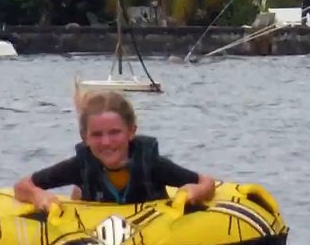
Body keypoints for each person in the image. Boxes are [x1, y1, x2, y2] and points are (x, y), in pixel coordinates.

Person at [14, 90, 215, 211]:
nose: (107, 142)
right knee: (78, 191)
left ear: (131, 132)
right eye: (97, 135)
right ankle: (79, 192)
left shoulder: (151, 164)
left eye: (115, 132)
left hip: (153, 231)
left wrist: (196, 192)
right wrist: (38, 196)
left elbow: (206, 182)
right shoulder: (80, 166)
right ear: (85, 138)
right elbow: (22, 186)